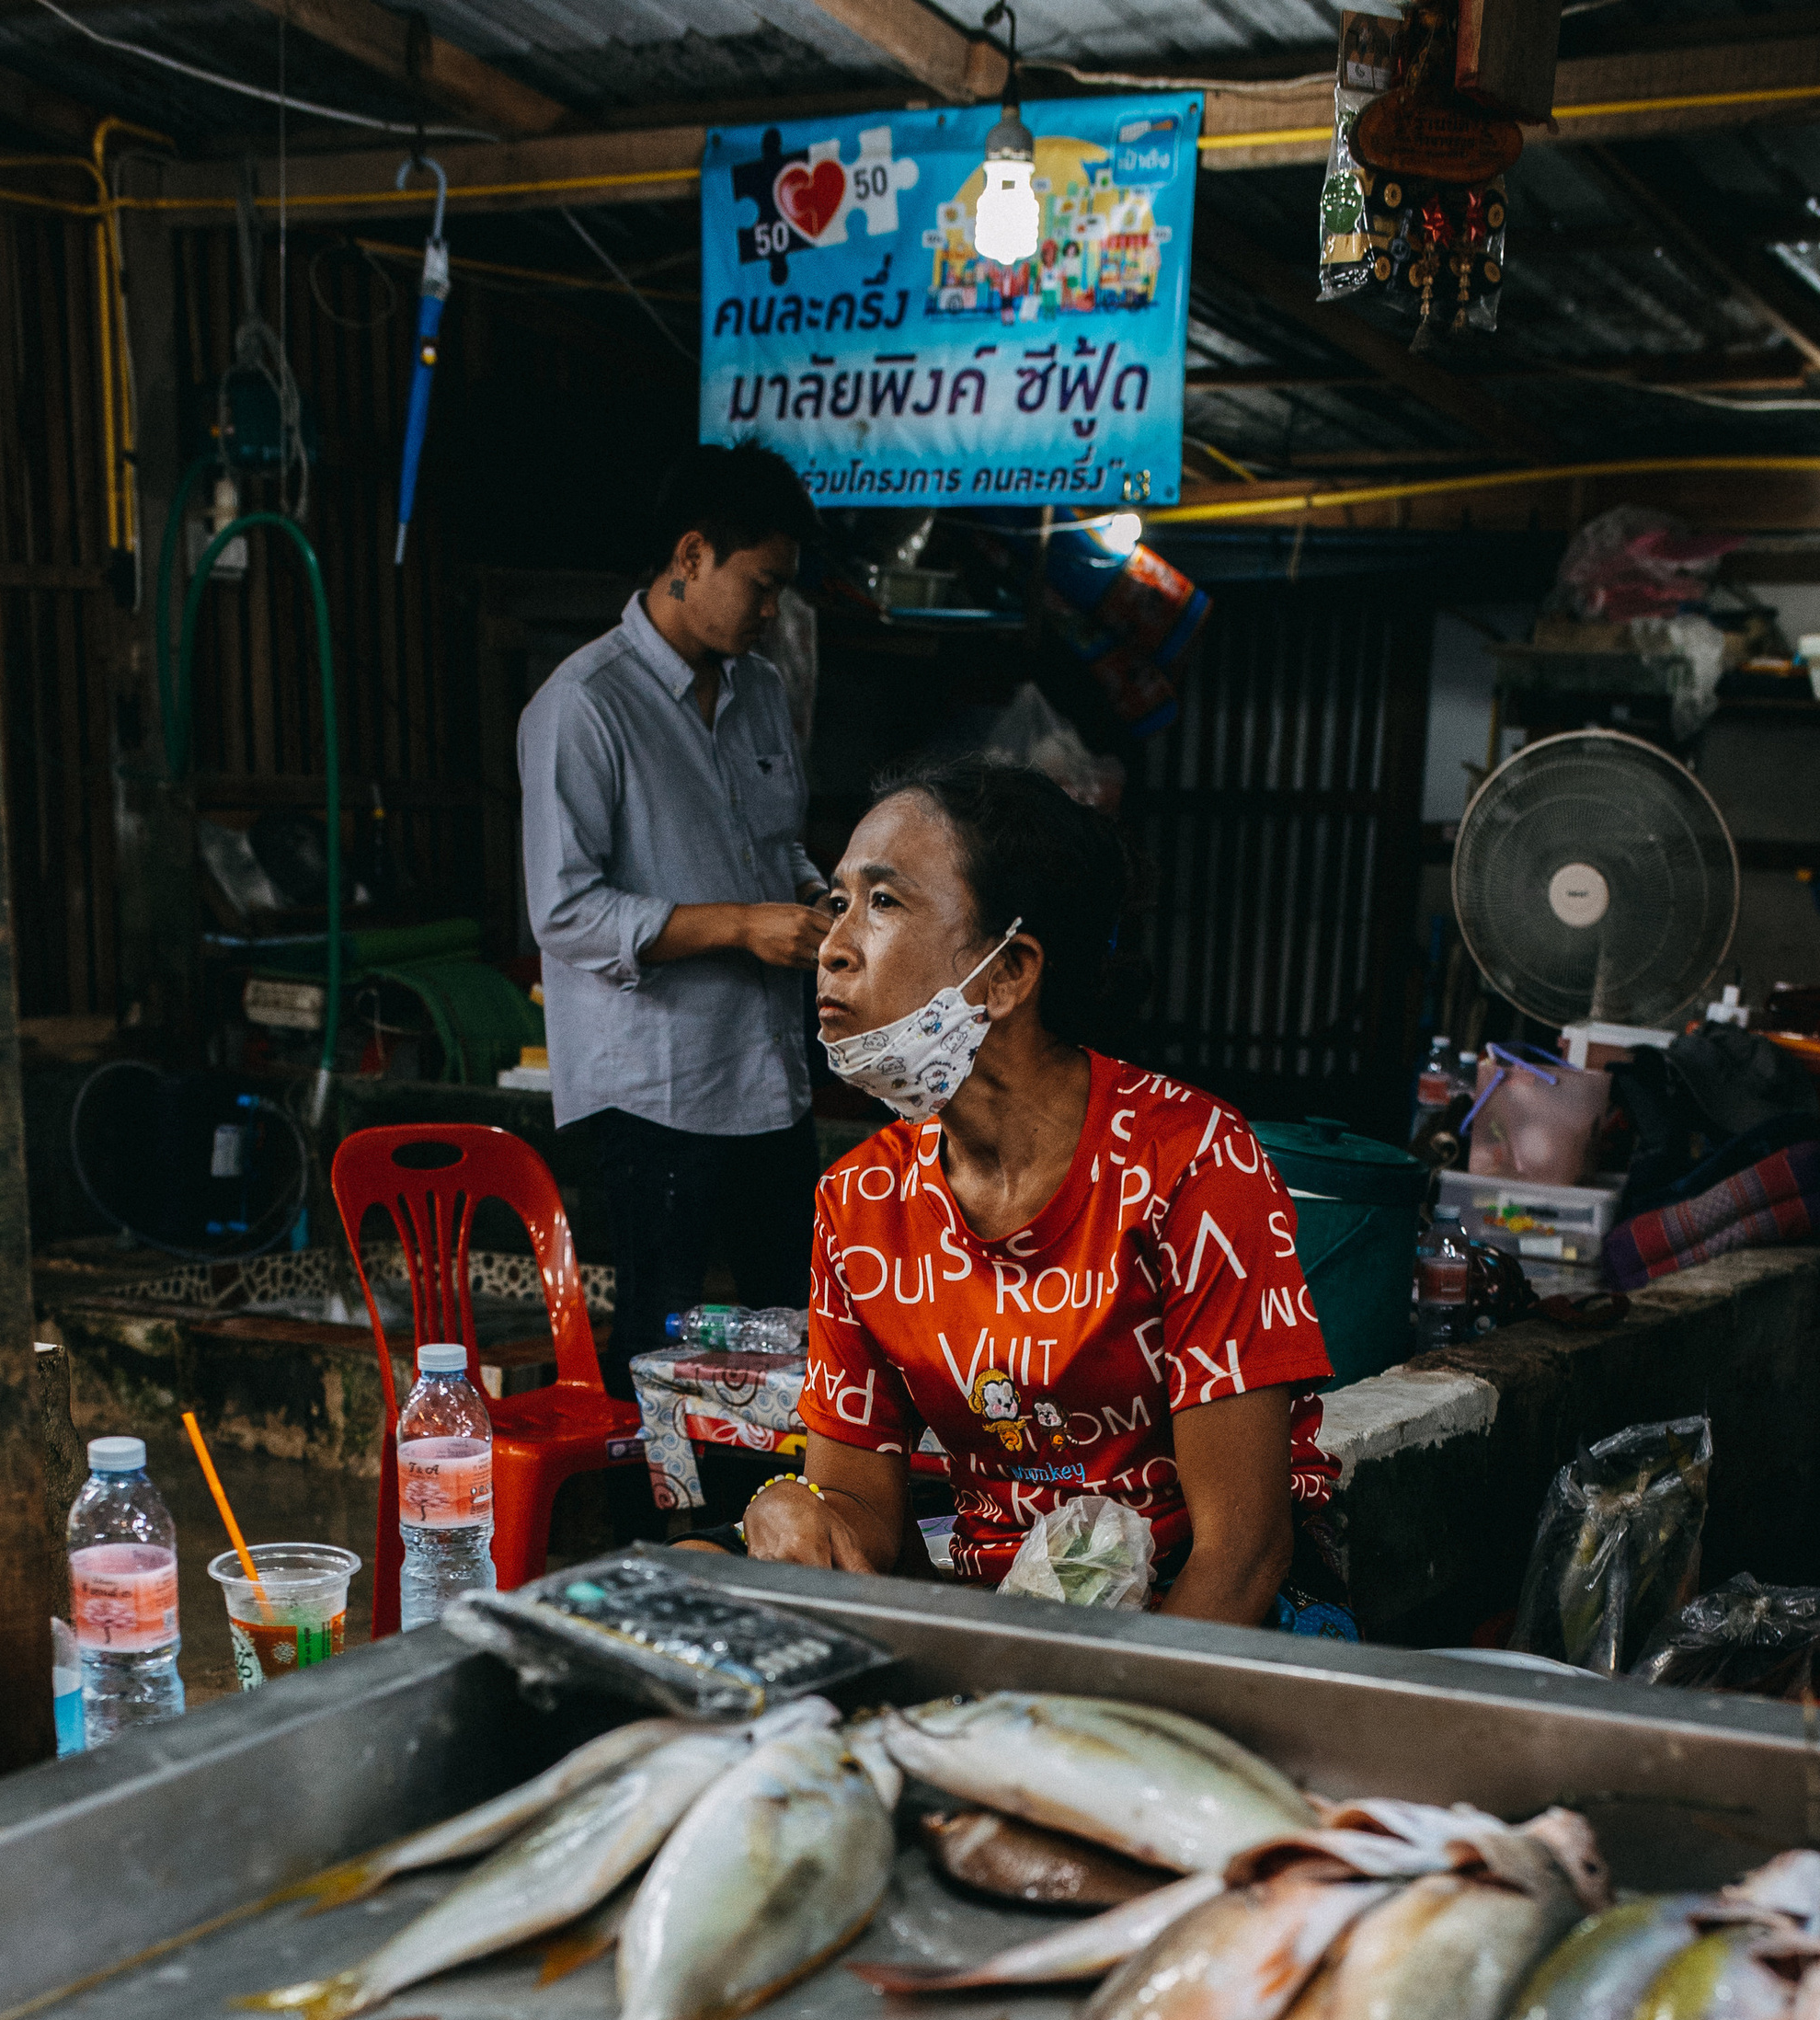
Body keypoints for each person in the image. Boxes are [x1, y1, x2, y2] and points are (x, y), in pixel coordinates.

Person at [739, 755, 1340, 1627]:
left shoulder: (1195, 1164)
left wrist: (1083, 1705)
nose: (833, 945)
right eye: (839, 903)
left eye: (884, 902)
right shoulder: (859, 1198)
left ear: (1008, 973)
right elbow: (863, 1507)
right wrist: (803, 1513)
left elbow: (1243, 1554)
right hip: (1003, 1615)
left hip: (1202, 1619)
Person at [519, 442, 827, 1392]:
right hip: (656, 1090)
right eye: (761, 585)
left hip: (770, 1077)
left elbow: (779, 848)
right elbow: (564, 911)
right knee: (659, 1349)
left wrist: (822, 904)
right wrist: (740, 926)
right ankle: (650, 1494)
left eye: (782, 591)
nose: (772, 612)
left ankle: (765, 1492)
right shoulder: (584, 705)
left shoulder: (761, 690)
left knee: (791, 1336)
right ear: (691, 555)